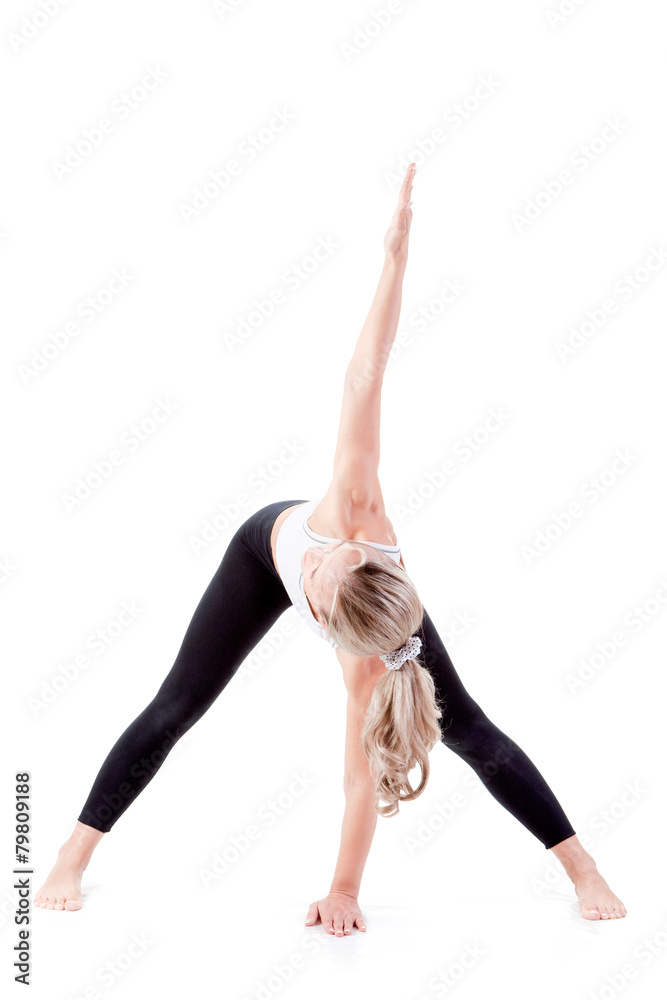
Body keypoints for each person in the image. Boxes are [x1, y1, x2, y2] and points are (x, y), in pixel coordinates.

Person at [34, 164, 626, 932]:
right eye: (331, 557)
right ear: (364, 557)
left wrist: (342, 891)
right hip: (258, 548)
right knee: (177, 705)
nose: (315, 559)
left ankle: (582, 867)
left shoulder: (365, 661)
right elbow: (362, 378)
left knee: (468, 727)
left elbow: (358, 782)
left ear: (328, 623)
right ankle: (72, 853)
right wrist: (394, 260)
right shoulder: (354, 509)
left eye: (314, 574)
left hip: (367, 627)